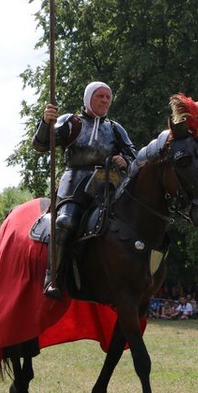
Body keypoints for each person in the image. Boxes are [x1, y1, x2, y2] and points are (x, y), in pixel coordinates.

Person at [32, 82, 137, 299]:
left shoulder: (116, 128)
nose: (105, 101)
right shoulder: (72, 122)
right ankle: (53, 277)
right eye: (100, 96)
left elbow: (134, 157)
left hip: (108, 182)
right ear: (89, 98)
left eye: (108, 97)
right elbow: (41, 145)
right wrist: (46, 122)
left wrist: (125, 160)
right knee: (64, 223)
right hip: (75, 181)